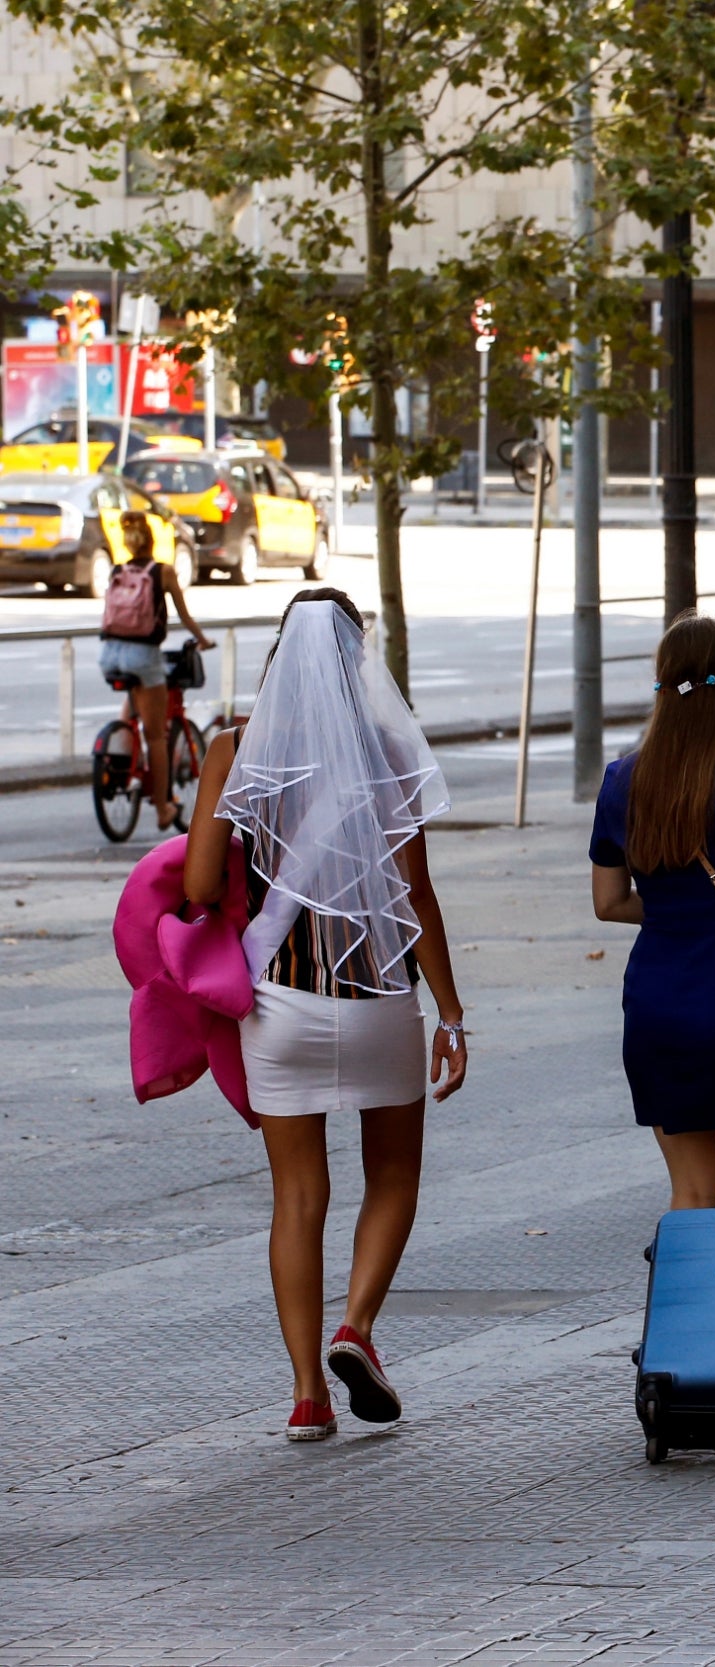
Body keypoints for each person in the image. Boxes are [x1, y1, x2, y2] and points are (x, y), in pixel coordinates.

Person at [181, 588, 468, 1443]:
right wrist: (451, 1012)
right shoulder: (384, 752)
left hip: (283, 1003)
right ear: (356, 661)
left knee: (298, 1196)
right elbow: (416, 894)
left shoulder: (234, 751)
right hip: (380, 999)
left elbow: (198, 889)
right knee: (395, 1178)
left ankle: (307, 1395)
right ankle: (357, 1327)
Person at [591, 616, 715, 1211]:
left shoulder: (622, 780)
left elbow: (608, 902)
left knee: (692, 1191)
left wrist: (672, 909)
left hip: (655, 1000)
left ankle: (685, 1304)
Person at [98, 511, 209, 831]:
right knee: (156, 734)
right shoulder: (163, 572)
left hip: (110, 653)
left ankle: (120, 754)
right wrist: (204, 640)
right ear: (152, 538)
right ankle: (162, 808)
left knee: (134, 705)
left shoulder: (117, 570)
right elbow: (185, 617)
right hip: (143, 655)